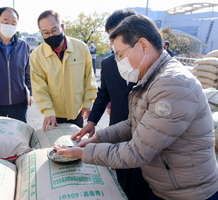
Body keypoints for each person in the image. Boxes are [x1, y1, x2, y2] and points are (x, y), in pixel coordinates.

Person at [55, 14, 218, 200]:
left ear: (143, 46)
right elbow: (133, 124)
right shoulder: (152, 77)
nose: (118, 62)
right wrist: (97, 138)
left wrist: (84, 153)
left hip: (190, 194)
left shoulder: (172, 84)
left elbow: (137, 152)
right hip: (168, 187)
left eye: (120, 54)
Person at [71, 9, 149, 200]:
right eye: (111, 38)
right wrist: (92, 122)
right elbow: (103, 94)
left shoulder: (148, 62)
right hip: (118, 127)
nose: (115, 43)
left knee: (141, 182)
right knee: (121, 177)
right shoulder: (108, 64)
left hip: (146, 132)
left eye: (119, 36)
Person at [30, 10, 97, 131]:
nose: (51, 35)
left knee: (75, 146)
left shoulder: (81, 48)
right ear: (41, 33)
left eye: (54, 30)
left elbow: (89, 79)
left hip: (77, 112)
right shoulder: (37, 55)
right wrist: (48, 110)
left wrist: (87, 104)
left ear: (62, 27)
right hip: (53, 115)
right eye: (45, 33)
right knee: (54, 147)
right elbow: (39, 87)